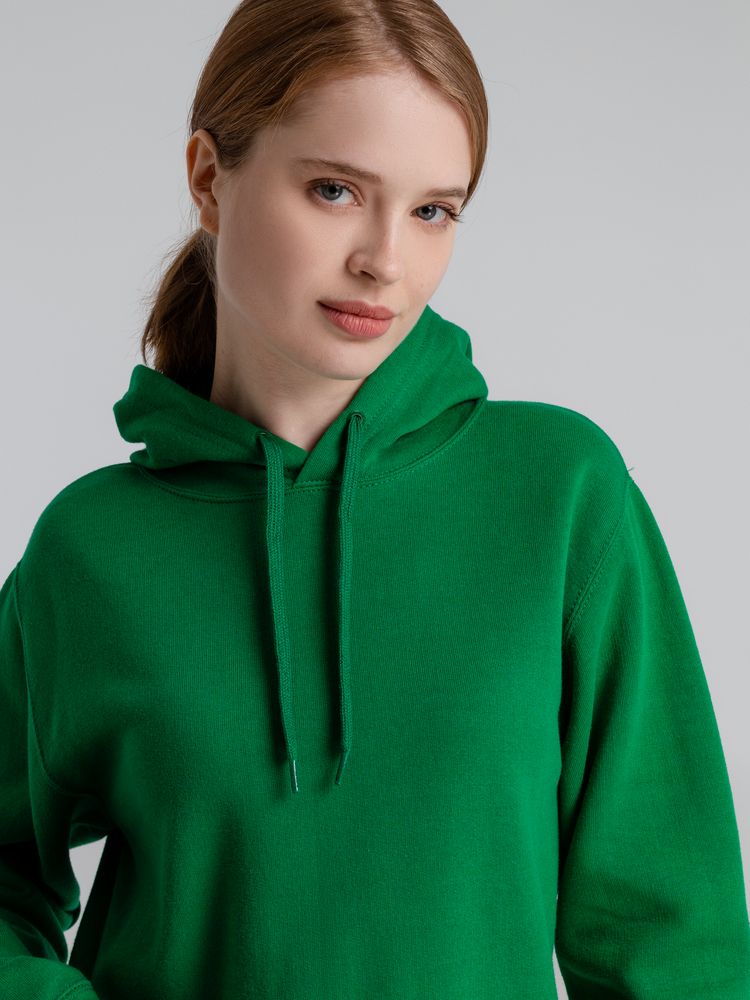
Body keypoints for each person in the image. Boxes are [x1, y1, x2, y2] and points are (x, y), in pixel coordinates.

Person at [1, 1, 749, 998]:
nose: (385, 260)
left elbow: (677, 944)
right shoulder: (92, 549)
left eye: (434, 210)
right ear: (209, 179)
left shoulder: (560, 495)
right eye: (335, 190)